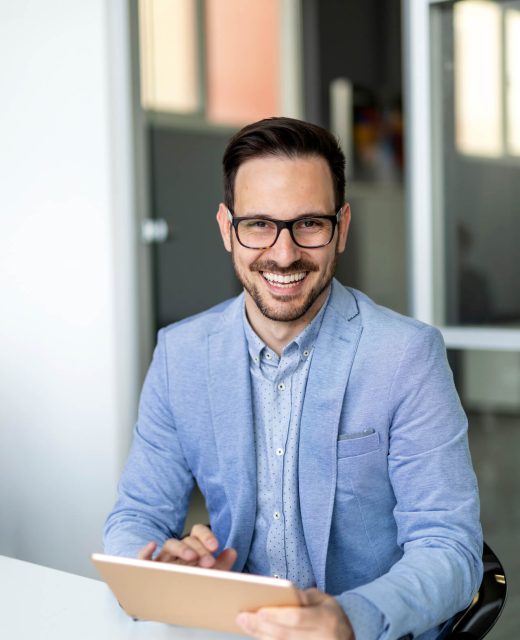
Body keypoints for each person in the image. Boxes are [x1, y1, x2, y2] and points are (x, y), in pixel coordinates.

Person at [104, 117, 482, 640]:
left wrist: (350, 618)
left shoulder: (406, 356)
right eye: (258, 224)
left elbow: (450, 550)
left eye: (309, 224)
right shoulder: (181, 354)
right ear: (225, 228)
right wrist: (162, 566)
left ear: (342, 227)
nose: (284, 254)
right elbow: (134, 518)